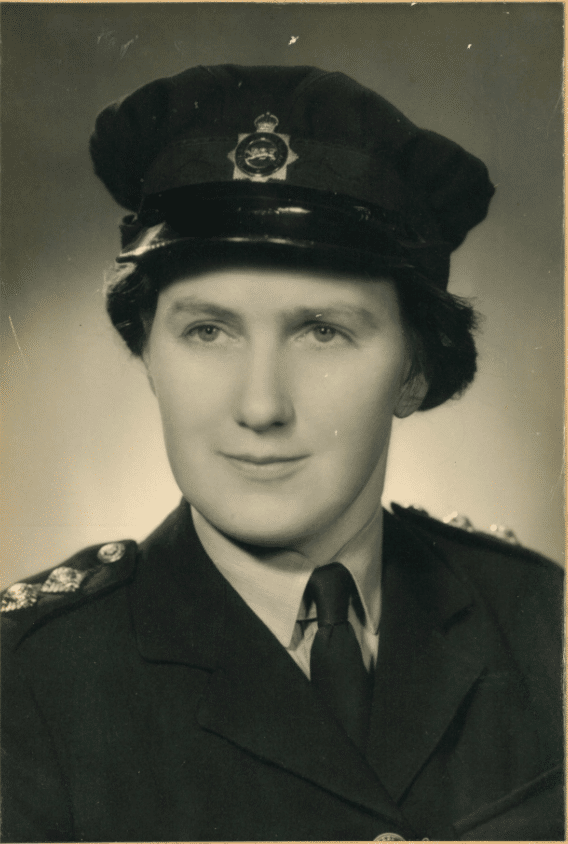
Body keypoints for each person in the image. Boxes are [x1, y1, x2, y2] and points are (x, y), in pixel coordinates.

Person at [1, 65, 563, 843]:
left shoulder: (541, 622)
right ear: (148, 355)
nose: (261, 406)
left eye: (322, 332)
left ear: (414, 369)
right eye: (207, 331)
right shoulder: (26, 682)